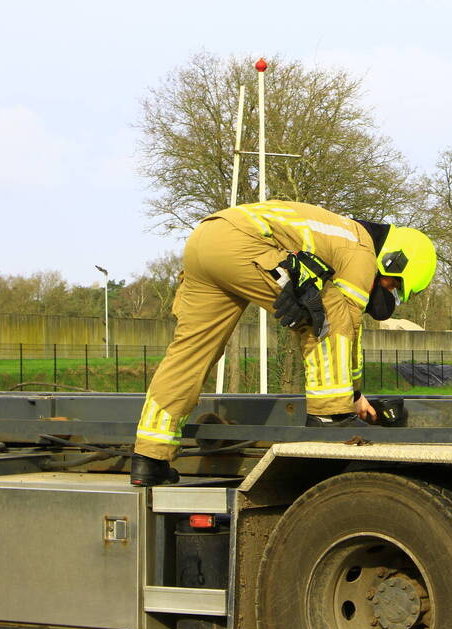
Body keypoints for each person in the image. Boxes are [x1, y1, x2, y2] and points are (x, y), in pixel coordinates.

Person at [130, 200, 436, 486]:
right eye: (393, 283)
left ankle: (150, 456)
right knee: (327, 309)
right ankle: (329, 417)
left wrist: (355, 395)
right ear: (394, 259)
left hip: (204, 239)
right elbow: (346, 325)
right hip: (242, 242)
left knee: (190, 352)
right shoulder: (361, 248)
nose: (388, 291)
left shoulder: (337, 230)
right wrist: (350, 397)